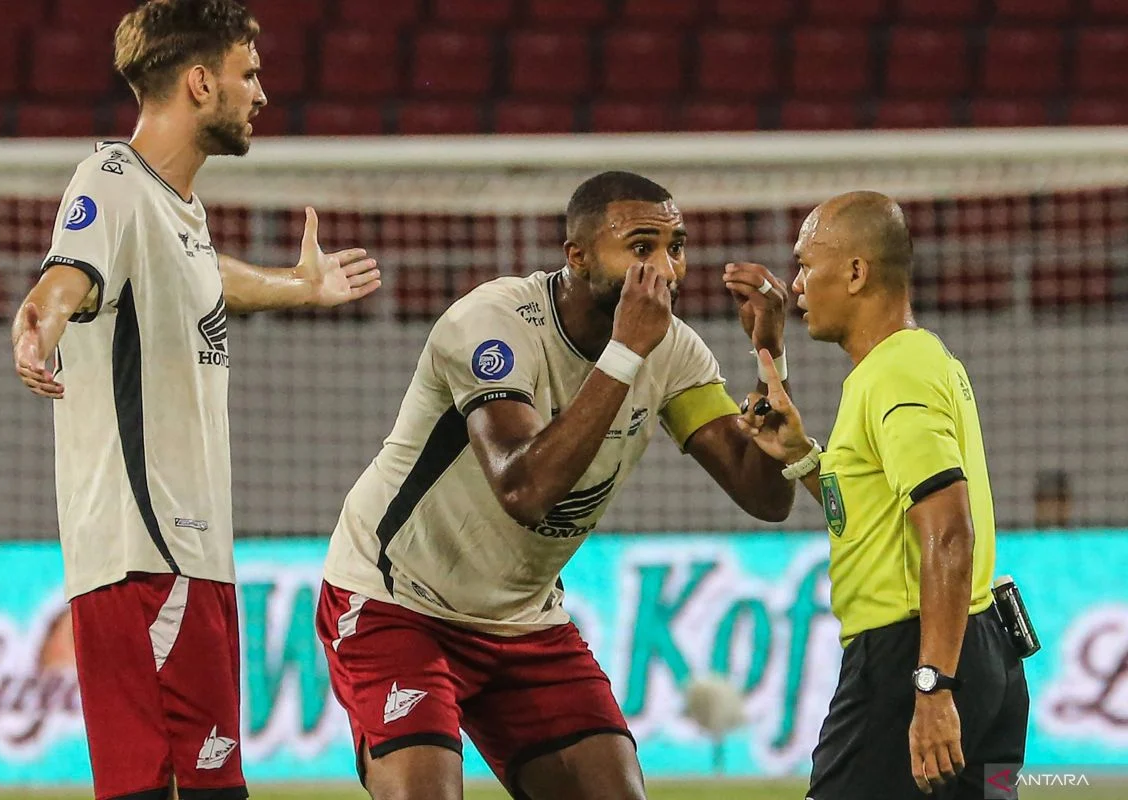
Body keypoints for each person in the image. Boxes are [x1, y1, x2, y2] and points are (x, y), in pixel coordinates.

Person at [316, 171, 798, 800]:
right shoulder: (493, 322)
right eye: (641, 247)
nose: (666, 269)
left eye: (675, 247)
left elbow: (766, 497)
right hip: (397, 601)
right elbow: (523, 489)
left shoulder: (673, 352)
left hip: (523, 621)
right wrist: (624, 352)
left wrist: (771, 361)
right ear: (576, 257)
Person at [9, 2, 381, 799]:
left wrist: (300, 287)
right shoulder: (110, 180)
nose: (262, 94)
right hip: (142, 556)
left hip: (193, 556)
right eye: (249, 74)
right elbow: (63, 278)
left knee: (213, 789)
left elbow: (207, 273)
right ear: (201, 81)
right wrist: (36, 323)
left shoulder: (176, 213)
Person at [733, 191, 1029, 799]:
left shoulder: (896, 372)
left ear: (857, 272)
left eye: (807, 265)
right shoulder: (915, 364)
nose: (795, 285)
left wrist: (931, 686)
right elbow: (878, 515)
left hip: (910, 654)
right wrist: (802, 460)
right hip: (981, 647)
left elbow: (949, 528)